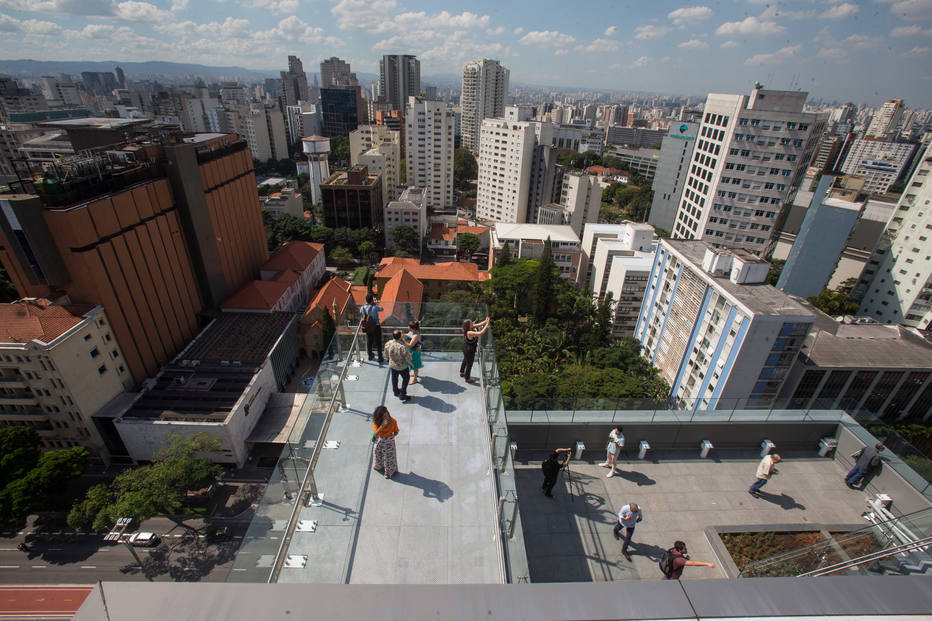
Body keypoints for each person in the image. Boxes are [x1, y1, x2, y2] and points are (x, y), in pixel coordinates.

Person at [384, 329, 413, 401]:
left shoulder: (388, 343)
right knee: (406, 379)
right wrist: (411, 364)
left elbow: (386, 352)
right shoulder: (402, 346)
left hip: (392, 365)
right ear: (400, 337)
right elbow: (407, 357)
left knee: (394, 379)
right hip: (402, 367)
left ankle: (396, 391)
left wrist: (388, 359)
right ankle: (403, 394)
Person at [371, 405, 399, 479]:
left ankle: (389, 472)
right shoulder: (378, 423)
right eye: (384, 416)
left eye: (387, 415)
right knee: (377, 453)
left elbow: (396, 431)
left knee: (388, 458)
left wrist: (393, 435)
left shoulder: (393, 421)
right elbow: (375, 434)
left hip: (389, 442)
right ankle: (379, 466)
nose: (387, 418)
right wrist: (382, 426)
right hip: (380, 440)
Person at [461, 316, 490, 383]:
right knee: (469, 364)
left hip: (465, 348)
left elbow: (479, 324)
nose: (473, 323)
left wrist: (486, 321)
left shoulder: (468, 328)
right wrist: (487, 324)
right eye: (471, 323)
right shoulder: (469, 333)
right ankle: (467, 378)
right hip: (469, 350)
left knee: (465, 360)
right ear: (469, 325)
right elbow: (480, 333)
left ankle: (462, 372)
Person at [360, 294, 383, 364]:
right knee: (378, 342)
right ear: (372, 300)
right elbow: (382, 309)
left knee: (369, 342)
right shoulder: (375, 307)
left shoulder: (362, 308)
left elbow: (362, 314)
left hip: (368, 327)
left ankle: (370, 356)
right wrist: (375, 303)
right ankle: (380, 358)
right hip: (376, 326)